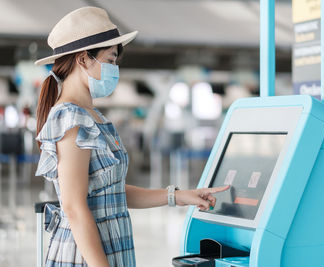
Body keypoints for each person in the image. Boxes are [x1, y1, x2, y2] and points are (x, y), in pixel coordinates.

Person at [34, 7, 229, 267]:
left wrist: (179, 196)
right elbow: (74, 207)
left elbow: (110, 193)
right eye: (111, 60)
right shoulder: (69, 118)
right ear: (83, 60)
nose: (115, 69)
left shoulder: (94, 117)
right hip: (85, 259)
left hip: (110, 250)